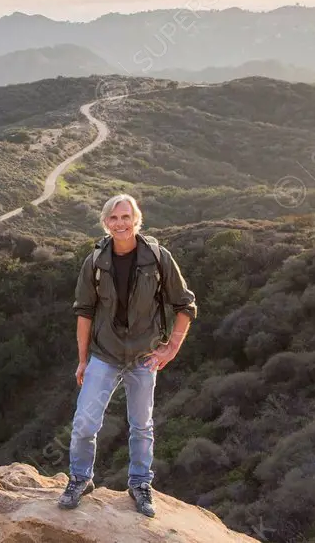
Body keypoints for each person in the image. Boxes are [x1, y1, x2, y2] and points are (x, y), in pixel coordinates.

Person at [56, 193, 198, 517]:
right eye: (113, 218)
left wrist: (172, 347)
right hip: (104, 354)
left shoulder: (159, 257)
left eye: (125, 217)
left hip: (144, 356)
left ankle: (140, 484)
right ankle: (79, 479)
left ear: (137, 220)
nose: (120, 224)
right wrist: (82, 360)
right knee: (84, 423)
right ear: (105, 223)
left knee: (141, 425)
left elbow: (185, 305)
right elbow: (84, 313)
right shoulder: (94, 261)